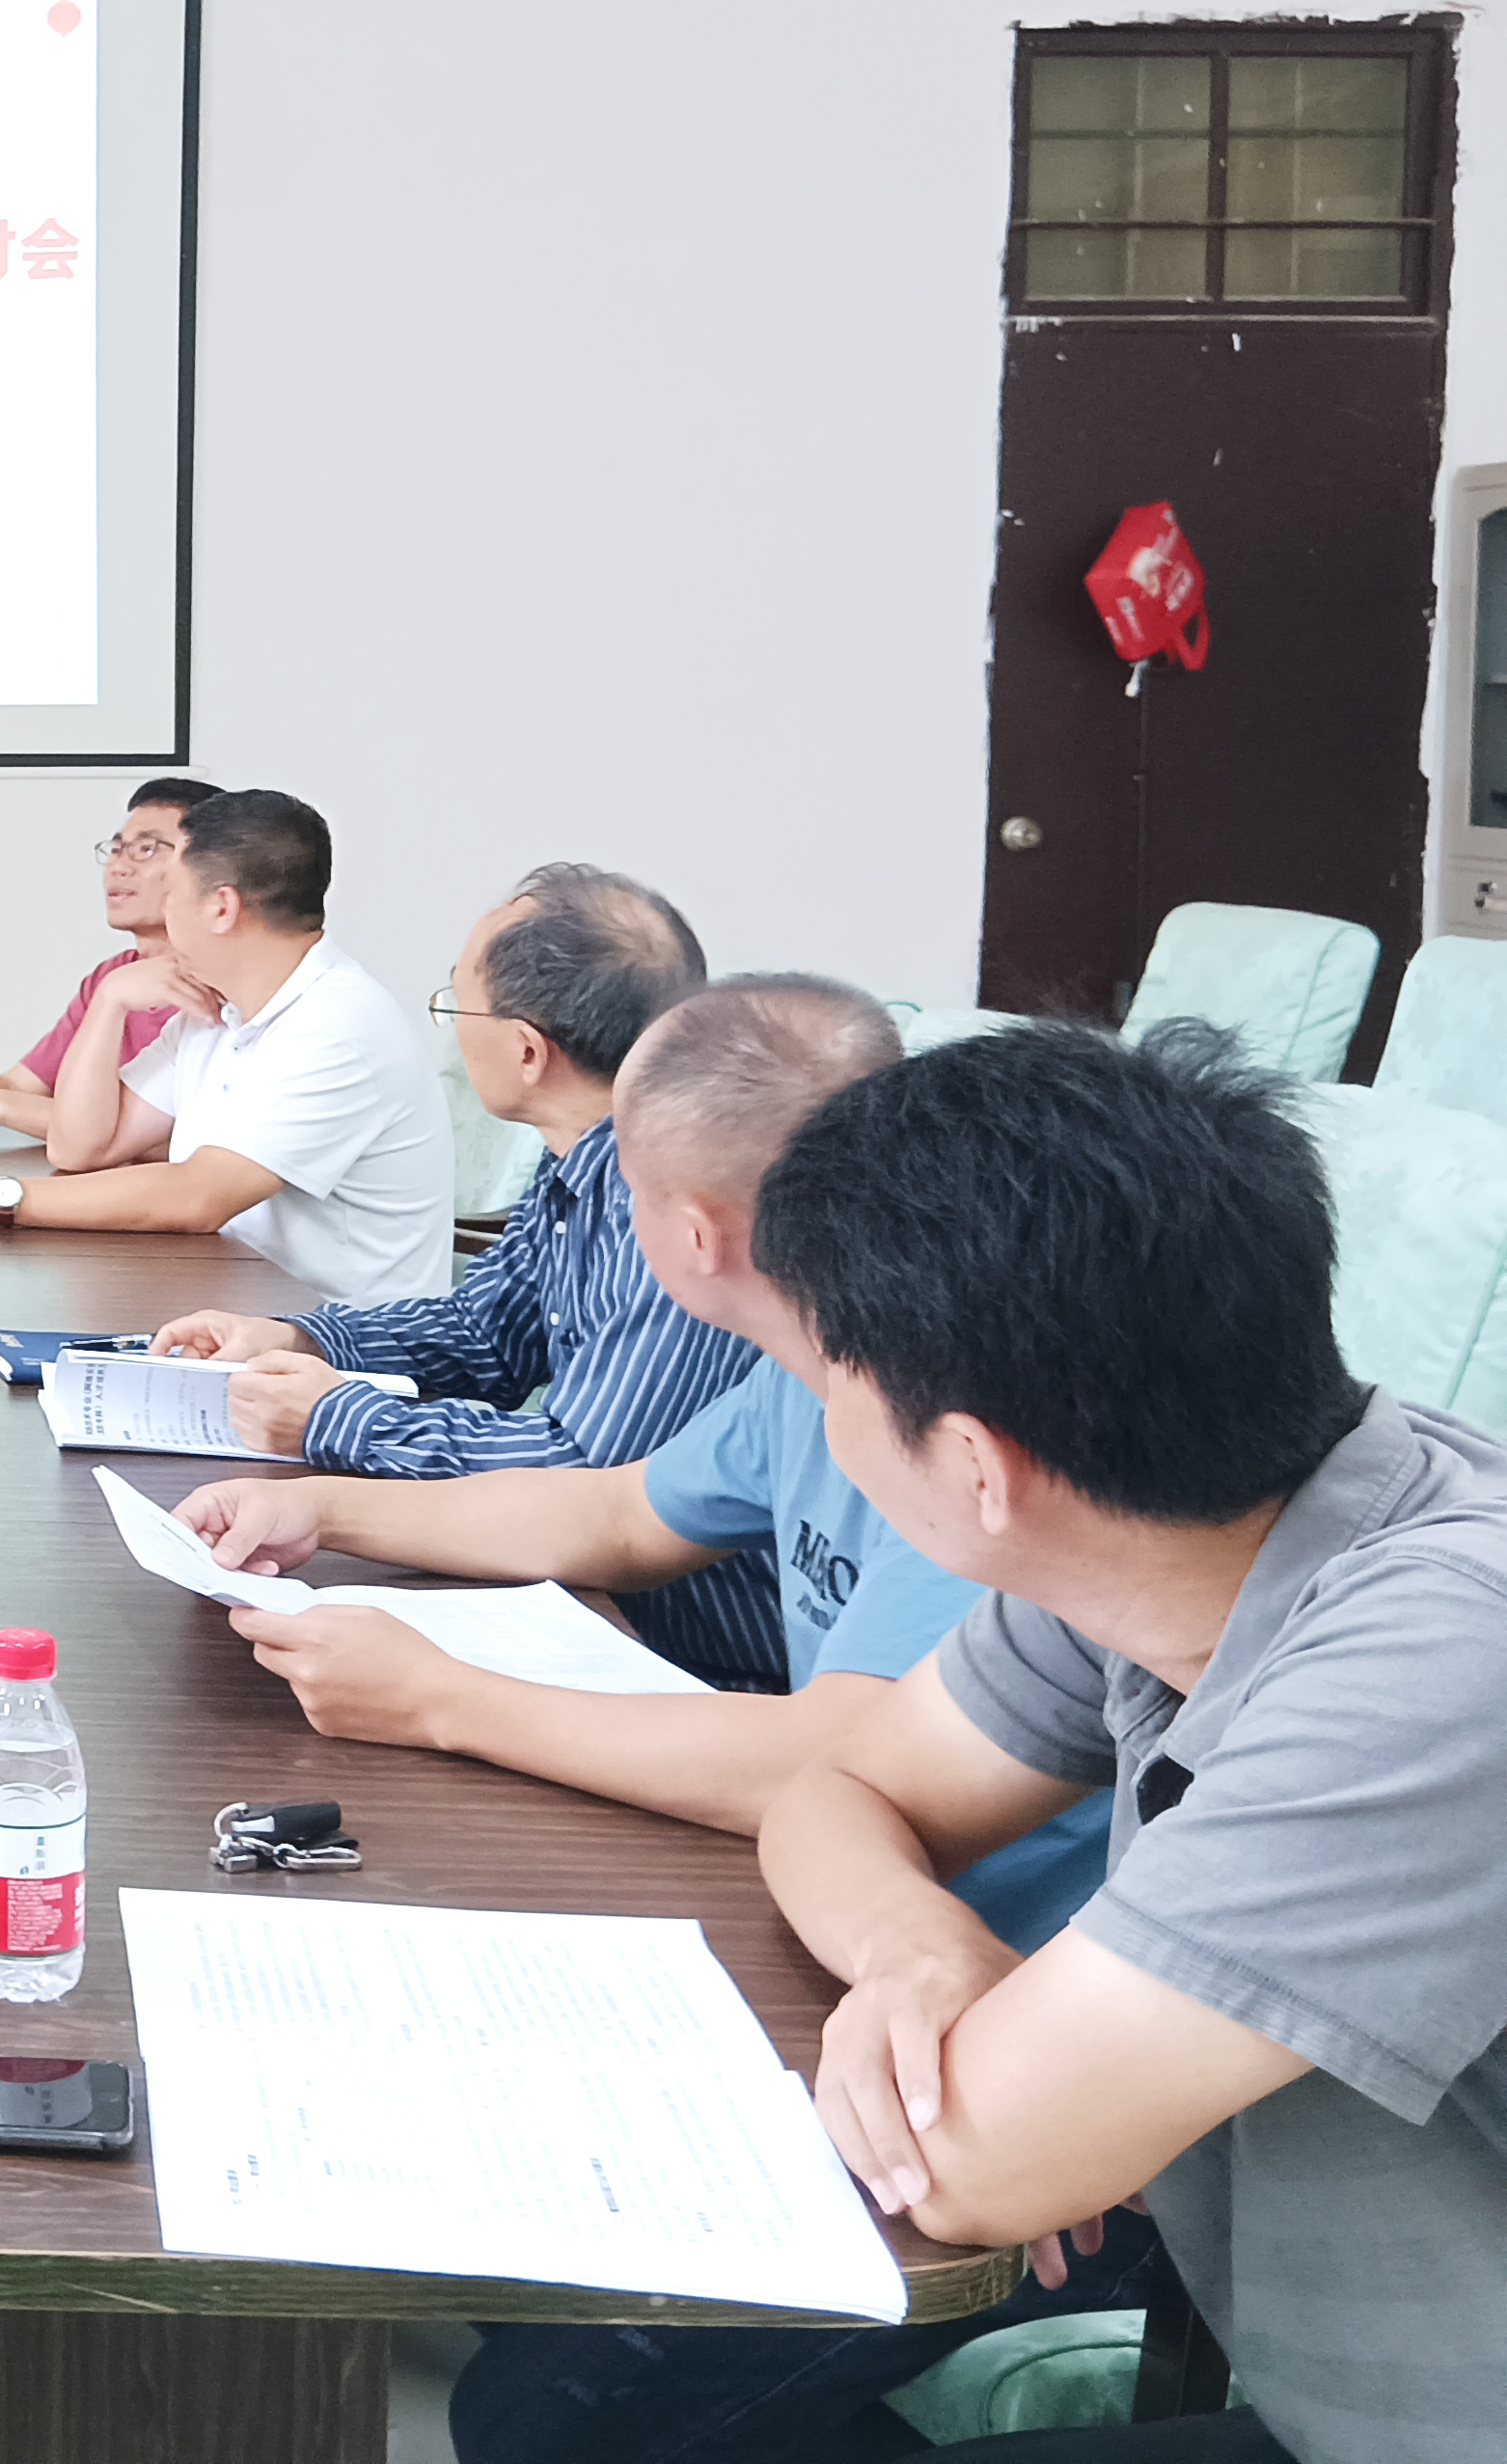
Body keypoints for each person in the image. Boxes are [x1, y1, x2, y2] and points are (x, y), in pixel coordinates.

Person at [175, 977, 1139, 2461]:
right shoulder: (826, 1372)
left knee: (545, 2406)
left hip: (1031, 2084)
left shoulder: (973, 1422)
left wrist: (444, 1700)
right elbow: (627, 1518)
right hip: (875, 1967)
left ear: (684, 1229)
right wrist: (329, 1505)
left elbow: (834, 1757)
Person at [751, 1022, 1507, 2463]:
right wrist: (927, 1952)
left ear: (974, 1464)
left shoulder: (1448, 1654)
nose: (817, 1403)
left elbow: (973, 2161)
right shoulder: (1158, 1541)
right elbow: (835, 1787)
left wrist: (1003, 2080)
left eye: (830, 1368)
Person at [151, 866, 779, 1686]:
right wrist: (302, 1337)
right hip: (591, 1603)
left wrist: (336, 1417)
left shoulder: (673, 1207)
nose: (448, 1030)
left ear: (527, 1050)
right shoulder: (579, 1163)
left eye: (456, 1004)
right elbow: (486, 1331)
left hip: (700, 1656)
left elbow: (584, 1477)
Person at [0, 788, 452, 1302]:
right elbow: (82, 1147)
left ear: (222, 908)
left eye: (173, 893)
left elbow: (199, 1196)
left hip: (348, 1351)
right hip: (244, 1310)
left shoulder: (335, 1027)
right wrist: (110, 1000)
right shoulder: (216, 1013)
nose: (164, 911)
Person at [0, 776, 222, 1132]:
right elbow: (21, 1085)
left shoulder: (223, 985)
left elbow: (143, 1134)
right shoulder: (111, 977)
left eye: (146, 850)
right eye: (115, 849)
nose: (119, 866)